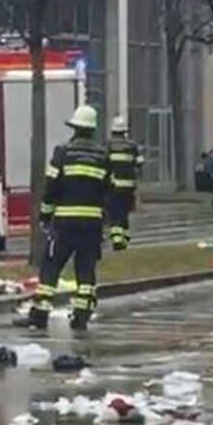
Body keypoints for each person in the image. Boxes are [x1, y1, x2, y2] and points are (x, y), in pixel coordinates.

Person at [25, 105, 112, 332]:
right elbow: (109, 190)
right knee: (85, 268)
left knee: (51, 266)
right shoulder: (102, 156)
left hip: (64, 222)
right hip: (91, 223)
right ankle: (82, 314)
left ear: (74, 128)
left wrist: (44, 214)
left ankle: (41, 314)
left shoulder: (62, 153)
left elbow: (51, 186)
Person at [105, 115, 142, 252]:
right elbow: (139, 163)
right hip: (129, 186)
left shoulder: (108, 146)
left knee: (115, 213)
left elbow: (104, 164)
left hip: (113, 186)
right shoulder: (132, 146)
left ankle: (117, 240)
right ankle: (125, 239)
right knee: (124, 213)